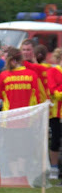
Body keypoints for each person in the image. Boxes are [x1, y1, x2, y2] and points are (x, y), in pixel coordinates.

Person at [46, 48, 62, 182]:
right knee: (55, 140)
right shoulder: (53, 71)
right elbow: (53, 91)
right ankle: (54, 168)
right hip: (56, 113)